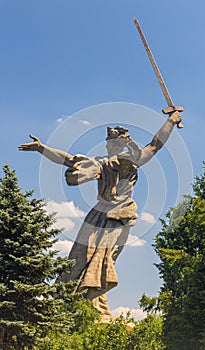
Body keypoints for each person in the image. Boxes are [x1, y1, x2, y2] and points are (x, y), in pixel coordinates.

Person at [19, 111, 182, 322]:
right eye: (108, 143)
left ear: (121, 144)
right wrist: (42, 149)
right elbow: (68, 160)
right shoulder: (99, 162)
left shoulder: (132, 161)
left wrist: (170, 121)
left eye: (113, 143)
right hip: (97, 215)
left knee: (103, 257)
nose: (109, 146)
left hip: (120, 215)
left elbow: (155, 144)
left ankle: (96, 304)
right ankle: (75, 304)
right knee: (79, 258)